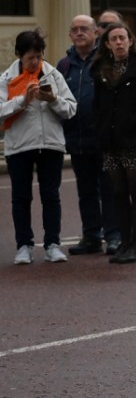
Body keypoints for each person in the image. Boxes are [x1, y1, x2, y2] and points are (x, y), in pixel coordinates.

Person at [4, 29, 78, 264]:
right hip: (19, 146)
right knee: (21, 198)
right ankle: (24, 245)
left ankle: (52, 244)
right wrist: (22, 101)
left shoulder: (53, 75)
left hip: (50, 145)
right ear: (18, 55)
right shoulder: (6, 79)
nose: (35, 62)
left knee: (50, 195)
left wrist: (53, 100)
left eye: (39, 56)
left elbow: (71, 108)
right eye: (29, 58)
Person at [92, 21, 136, 264]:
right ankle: (124, 242)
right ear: (107, 44)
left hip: (135, 139)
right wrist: (100, 128)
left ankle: (135, 246)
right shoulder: (100, 67)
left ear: (131, 40)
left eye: (123, 37)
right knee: (117, 192)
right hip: (110, 141)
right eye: (114, 39)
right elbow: (97, 104)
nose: (119, 42)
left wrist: (131, 122)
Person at [56, 14, 118, 255]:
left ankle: (114, 235)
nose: (79, 33)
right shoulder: (64, 65)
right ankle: (91, 235)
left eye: (85, 29)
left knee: (109, 188)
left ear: (95, 34)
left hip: (104, 137)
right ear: (70, 35)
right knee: (86, 190)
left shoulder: (106, 60)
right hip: (76, 137)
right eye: (75, 30)